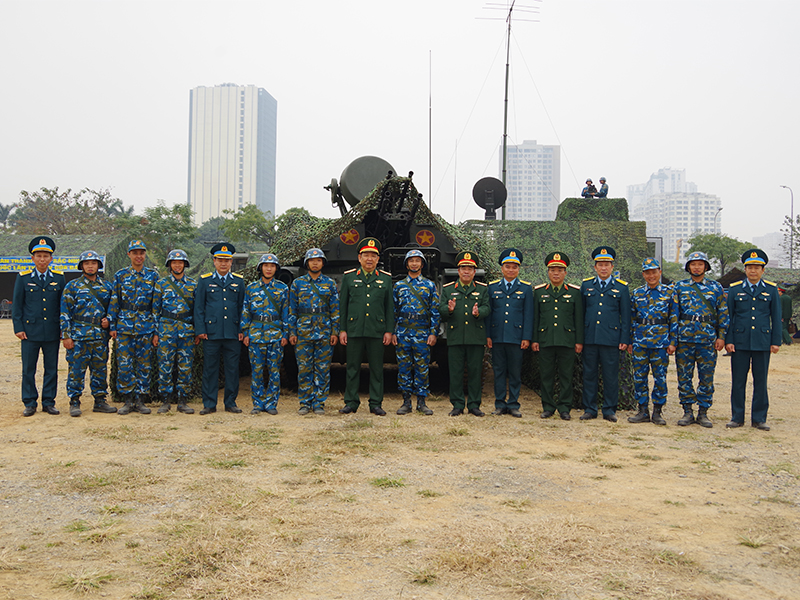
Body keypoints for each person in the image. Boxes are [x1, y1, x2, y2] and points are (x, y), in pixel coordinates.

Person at [725, 249, 781, 431]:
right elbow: (729, 317)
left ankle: (759, 418)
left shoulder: (771, 290)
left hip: (762, 341)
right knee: (738, 381)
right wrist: (729, 340)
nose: (753, 271)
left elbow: (776, 316)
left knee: (761, 381)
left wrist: (776, 341)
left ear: (763, 270)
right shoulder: (735, 289)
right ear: (745, 269)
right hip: (739, 342)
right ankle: (737, 417)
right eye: (750, 267)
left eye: (757, 268)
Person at [672, 251, 729, 428]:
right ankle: (688, 411)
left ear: (706, 266)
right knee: (684, 377)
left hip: (707, 340)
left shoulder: (715, 287)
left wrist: (721, 337)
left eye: (700, 264)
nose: (696, 267)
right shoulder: (679, 287)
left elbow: (723, 313)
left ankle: (703, 412)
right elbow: (674, 315)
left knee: (706, 377)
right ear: (688, 267)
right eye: (693, 264)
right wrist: (673, 341)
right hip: (685, 340)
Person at [338, 237, 394, 415]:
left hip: (376, 330)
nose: (369, 259)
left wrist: (388, 331)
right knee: (352, 368)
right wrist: (342, 329)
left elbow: (389, 308)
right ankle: (351, 402)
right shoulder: (349, 278)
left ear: (378, 259)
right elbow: (343, 306)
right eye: (366, 255)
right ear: (359, 258)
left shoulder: (385, 280)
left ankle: (376, 403)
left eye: (373, 256)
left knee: (377, 369)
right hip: (354, 330)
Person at [13, 236, 66, 416]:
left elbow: (62, 306)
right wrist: (18, 328)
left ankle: (49, 402)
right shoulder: (23, 278)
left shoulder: (59, 278)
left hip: (52, 331)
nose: (42, 259)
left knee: (51, 369)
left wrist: (63, 329)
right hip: (29, 332)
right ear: (32, 258)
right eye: (38, 256)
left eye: (45, 256)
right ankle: (29, 402)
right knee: (28, 369)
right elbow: (17, 305)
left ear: (51, 258)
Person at [60, 250, 116, 417]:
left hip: (99, 337)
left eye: (93, 263)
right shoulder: (72, 286)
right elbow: (65, 313)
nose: (90, 266)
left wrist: (109, 320)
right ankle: (74, 401)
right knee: (76, 370)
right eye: (87, 263)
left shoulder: (106, 286)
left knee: (100, 370)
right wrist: (66, 335)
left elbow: (113, 308)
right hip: (78, 337)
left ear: (99, 265)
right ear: (81, 266)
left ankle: (100, 401)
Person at [107, 240, 159, 415]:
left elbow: (156, 305)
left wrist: (156, 330)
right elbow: (114, 300)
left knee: (144, 364)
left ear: (145, 255)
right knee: (125, 364)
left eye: (141, 253)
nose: (139, 256)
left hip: (146, 325)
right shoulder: (120, 275)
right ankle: (128, 400)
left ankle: (141, 399)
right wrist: (112, 325)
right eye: (135, 253)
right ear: (128, 254)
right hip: (125, 326)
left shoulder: (153, 276)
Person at [580, 246, 630, 422]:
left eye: (606, 264)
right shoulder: (586, 286)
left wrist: (624, 339)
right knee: (589, 374)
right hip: (590, 338)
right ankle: (590, 408)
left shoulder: (622, 288)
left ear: (612, 267)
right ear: (595, 267)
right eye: (600, 264)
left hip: (611, 339)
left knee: (610, 376)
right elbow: (581, 314)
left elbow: (625, 316)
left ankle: (609, 409)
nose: (603, 268)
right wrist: (580, 339)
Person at [194, 243, 245, 415]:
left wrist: (241, 329)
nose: (223, 264)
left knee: (232, 369)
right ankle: (209, 403)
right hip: (211, 333)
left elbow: (241, 307)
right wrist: (200, 329)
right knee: (210, 369)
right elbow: (199, 307)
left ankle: (230, 402)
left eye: (227, 260)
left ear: (231, 262)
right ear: (214, 261)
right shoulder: (205, 280)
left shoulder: (238, 281)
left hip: (232, 332)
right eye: (220, 260)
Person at [532, 252, 583, 420]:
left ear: (565, 273)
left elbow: (578, 319)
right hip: (545, 340)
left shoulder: (575, 293)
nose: (556, 273)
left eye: (559, 270)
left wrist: (579, 341)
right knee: (546, 375)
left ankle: (564, 408)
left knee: (566, 376)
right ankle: (547, 407)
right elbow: (535, 318)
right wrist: (535, 339)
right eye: (552, 269)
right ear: (547, 272)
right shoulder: (539, 292)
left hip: (567, 340)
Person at [288, 248, 339, 415]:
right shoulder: (298, 284)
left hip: (324, 331)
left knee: (322, 368)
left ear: (323, 263)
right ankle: (305, 402)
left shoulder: (330, 283)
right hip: (303, 332)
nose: (315, 263)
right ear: (307, 263)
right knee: (304, 368)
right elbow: (292, 310)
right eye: (312, 260)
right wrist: (292, 332)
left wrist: (334, 332)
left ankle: (319, 402)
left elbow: (335, 310)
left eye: (318, 260)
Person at [439, 251, 490, 417]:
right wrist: (449, 309)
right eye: (463, 268)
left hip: (475, 337)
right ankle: (458, 404)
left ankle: (474, 405)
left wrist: (478, 312)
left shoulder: (482, 290)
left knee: (475, 372)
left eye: (470, 268)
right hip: (456, 337)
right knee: (456, 372)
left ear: (474, 272)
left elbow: (487, 308)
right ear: (458, 271)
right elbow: (441, 311)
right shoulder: (448, 290)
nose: (466, 271)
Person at [627, 258, 677, 426]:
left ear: (659, 272)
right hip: (640, 342)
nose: (651, 275)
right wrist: (630, 341)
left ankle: (657, 411)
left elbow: (674, 319)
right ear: (643, 274)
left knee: (660, 378)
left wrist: (673, 341)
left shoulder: (669, 293)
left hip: (661, 342)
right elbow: (631, 318)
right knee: (639, 377)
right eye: (647, 272)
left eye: (654, 272)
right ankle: (642, 411)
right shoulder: (637, 293)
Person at [393, 249, 440, 416]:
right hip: (403, 332)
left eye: (417, 261)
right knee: (404, 368)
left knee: (422, 367)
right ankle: (406, 402)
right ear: (407, 264)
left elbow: (434, 311)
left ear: (422, 264)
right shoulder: (399, 286)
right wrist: (393, 332)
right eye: (411, 260)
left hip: (422, 333)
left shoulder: (429, 285)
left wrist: (433, 333)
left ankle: (421, 402)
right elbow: (394, 311)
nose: (414, 263)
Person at [487, 248, 533, 417]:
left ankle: (513, 404)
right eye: (507, 266)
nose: (511, 270)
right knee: (498, 371)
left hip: (516, 338)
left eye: (514, 267)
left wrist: (526, 337)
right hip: (497, 337)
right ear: (502, 268)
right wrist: (488, 336)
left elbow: (529, 315)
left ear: (518, 269)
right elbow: (489, 314)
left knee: (514, 373)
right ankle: (499, 404)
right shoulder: (492, 288)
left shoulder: (526, 289)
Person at [242, 253, 289, 415]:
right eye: (266, 266)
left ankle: (271, 404)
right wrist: (245, 332)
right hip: (255, 334)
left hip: (275, 334)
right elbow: (246, 311)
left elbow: (286, 313)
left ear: (276, 268)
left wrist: (285, 334)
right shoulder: (251, 288)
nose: (269, 269)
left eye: (272, 266)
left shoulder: (282, 288)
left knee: (274, 371)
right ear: (260, 268)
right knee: (256, 371)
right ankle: (257, 402)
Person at [152, 249, 196, 415]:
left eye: (180, 262)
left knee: (185, 366)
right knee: (165, 365)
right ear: (169, 265)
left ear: (185, 264)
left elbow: (196, 311)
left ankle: (183, 400)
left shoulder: (192, 284)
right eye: (174, 262)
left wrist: (196, 331)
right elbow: (155, 310)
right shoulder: (161, 285)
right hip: (166, 330)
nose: (177, 265)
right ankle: (165, 400)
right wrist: (156, 333)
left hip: (186, 331)